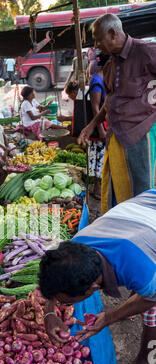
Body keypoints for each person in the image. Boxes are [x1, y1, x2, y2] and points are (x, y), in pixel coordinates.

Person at [39, 189, 156, 364]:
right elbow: (52, 276)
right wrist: (49, 311)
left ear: (93, 287)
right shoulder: (74, 248)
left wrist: (109, 317)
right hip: (145, 212)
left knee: (151, 310)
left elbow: (151, 299)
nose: (62, 304)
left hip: (144, 237)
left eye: (67, 301)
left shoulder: (140, 268)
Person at [78, 13, 156, 214]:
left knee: (141, 196)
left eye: (97, 39)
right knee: (117, 194)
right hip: (116, 136)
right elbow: (109, 103)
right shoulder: (111, 65)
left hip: (140, 134)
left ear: (112, 34)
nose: (96, 45)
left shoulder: (145, 51)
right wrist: (91, 125)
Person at [87, 53, 109, 199]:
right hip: (98, 129)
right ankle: (96, 188)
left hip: (104, 125)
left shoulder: (103, 78)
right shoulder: (97, 80)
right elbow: (95, 106)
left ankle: (100, 187)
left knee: (101, 158)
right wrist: (101, 129)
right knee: (97, 159)